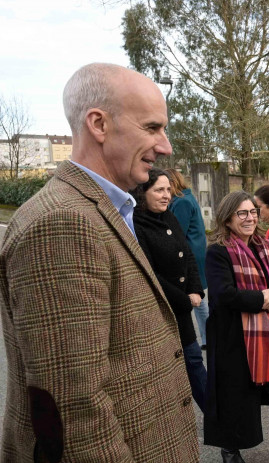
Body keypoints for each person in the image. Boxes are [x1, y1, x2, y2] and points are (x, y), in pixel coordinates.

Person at [0, 63, 197, 461]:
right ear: (99, 124)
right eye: (152, 127)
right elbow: (75, 413)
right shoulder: (62, 223)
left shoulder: (108, 208)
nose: (166, 146)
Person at [203, 191, 269, 463]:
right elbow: (223, 295)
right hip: (233, 336)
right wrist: (265, 299)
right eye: (242, 213)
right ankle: (230, 448)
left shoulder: (267, 247)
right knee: (234, 396)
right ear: (227, 219)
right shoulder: (217, 252)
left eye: (253, 211)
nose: (250, 217)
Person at [132, 168, 208, 412]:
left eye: (168, 190)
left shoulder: (169, 217)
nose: (166, 195)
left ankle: (220, 425)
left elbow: (186, 253)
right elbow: (149, 273)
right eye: (159, 190)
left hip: (182, 311)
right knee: (164, 373)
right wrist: (185, 300)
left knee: (195, 362)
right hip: (160, 313)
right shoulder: (135, 224)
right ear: (142, 193)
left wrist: (196, 288)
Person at [166, 167, 210, 349]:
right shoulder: (185, 198)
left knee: (196, 297)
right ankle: (208, 337)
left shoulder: (182, 202)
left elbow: (178, 231)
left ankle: (208, 336)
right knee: (198, 297)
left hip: (190, 253)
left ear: (172, 183)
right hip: (196, 250)